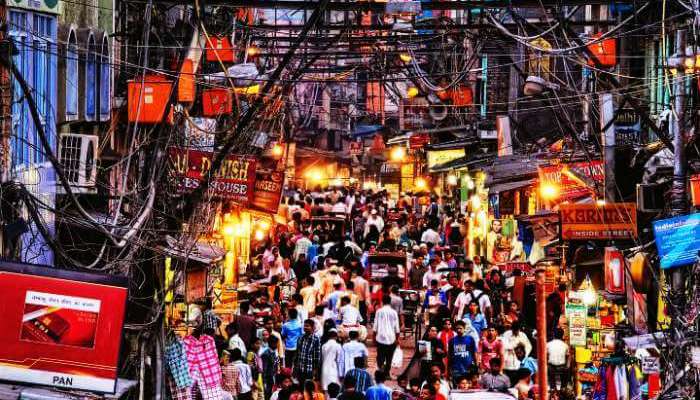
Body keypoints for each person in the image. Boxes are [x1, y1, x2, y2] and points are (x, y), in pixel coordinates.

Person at [373, 295, 400, 375]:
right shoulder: (394, 312)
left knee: (380, 355)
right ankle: (387, 373)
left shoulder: (378, 311)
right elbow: (397, 328)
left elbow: (375, 326)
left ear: (382, 301)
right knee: (389, 357)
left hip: (380, 337)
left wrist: (374, 337)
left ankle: (381, 370)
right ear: (390, 302)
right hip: (391, 338)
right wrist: (397, 338)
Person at [294, 319, 321, 384]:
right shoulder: (300, 338)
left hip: (309, 370)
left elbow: (317, 357)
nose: (305, 327)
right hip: (300, 369)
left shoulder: (316, 339)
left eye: (307, 326)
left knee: (308, 389)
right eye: (304, 326)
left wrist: (315, 371)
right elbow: (297, 353)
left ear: (312, 327)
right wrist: (295, 367)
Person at [262, 335, 281, 400]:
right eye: (275, 343)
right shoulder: (266, 354)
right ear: (271, 343)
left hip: (273, 377)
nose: (276, 345)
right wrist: (264, 382)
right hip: (268, 378)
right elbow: (264, 369)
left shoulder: (274, 351)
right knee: (268, 394)